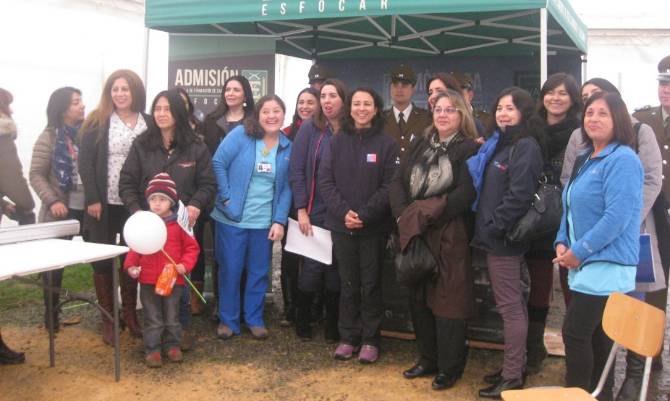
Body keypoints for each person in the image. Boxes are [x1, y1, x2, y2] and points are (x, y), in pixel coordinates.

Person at [561, 78, 664, 401]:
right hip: (584, 263)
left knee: (575, 333)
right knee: (596, 338)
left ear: (618, 119)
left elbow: (618, 218)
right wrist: (562, 241)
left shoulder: (623, 160)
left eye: (602, 113)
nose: (593, 118)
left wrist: (579, 251)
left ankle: (578, 395)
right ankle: (598, 395)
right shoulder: (585, 158)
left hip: (606, 262)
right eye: (589, 112)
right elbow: (568, 204)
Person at [390, 90, 478, 390]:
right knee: (418, 297)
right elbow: (398, 183)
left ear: (462, 115)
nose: (442, 115)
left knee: (448, 302)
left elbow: (465, 193)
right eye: (438, 110)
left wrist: (428, 213)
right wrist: (405, 216)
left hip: (449, 231)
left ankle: (450, 367)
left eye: (450, 110)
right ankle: (427, 358)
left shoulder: (468, 149)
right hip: (415, 231)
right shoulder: (419, 144)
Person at [119, 88, 216, 349]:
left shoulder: (196, 146)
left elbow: (207, 183)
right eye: (157, 109)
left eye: (167, 109)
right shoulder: (142, 144)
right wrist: (137, 212)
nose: (161, 114)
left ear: (179, 113)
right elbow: (127, 182)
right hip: (148, 229)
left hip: (180, 225)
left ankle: (179, 329)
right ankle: (154, 333)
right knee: (152, 281)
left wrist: (195, 205)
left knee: (178, 277)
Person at [469, 87, 544, 398]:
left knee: (510, 307)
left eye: (510, 109)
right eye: (499, 107)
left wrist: (495, 226)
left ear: (523, 113)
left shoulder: (525, 146)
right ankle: (515, 366)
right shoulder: (500, 144)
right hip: (494, 237)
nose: (503, 113)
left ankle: (513, 376)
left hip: (504, 241)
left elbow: (520, 195)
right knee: (513, 306)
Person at [320, 87, 398, 364]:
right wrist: (345, 214)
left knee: (371, 283)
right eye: (356, 103)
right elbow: (325, 182)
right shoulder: (337, 140)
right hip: (342, 226)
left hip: (373, 227)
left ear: (377, 109)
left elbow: (390, 186)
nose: (361, 108)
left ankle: (370, 339)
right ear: (349, 108)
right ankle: (348, 337)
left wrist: (364, 214)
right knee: (348, 283)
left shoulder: (387, 144)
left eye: (367, 103)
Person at [211, 94, 292, 340]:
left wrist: (279, 220)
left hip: (263, 223)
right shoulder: (241, 136)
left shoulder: (288, 147)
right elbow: (218, 163)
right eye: (266, 111)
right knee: (231, 270)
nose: (271, 116)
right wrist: (226, 199)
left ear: (283, 115)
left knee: (258, 272)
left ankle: (254, 319)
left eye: (276, 111)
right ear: (257, 115)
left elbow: (288, 187)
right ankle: (228, 321)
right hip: (231, 219)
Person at [78, 69, 149, 344]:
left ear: (135, 92)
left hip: (134, 204)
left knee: (132, 257)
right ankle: (108, 317)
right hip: (103, 203)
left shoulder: (148, 121)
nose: (120, 94)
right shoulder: (97, 121)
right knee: (103, 258)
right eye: (115, 89)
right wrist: (92, 198)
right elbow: (85, 162)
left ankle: (130, 313)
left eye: (125, 89)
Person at [523, 73, 582, 374]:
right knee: (538, 283)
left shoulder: (580, 131)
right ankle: (534, 348)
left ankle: (576, 350)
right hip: (535, 214)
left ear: (573, 100)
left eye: (563, 93)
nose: (555, 98)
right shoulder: (529, 127)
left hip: (569, 214)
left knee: (569, 284)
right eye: (550, 92)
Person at [124, 173, 200, 367]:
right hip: (148, 280)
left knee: (172, 316)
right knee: (153, 317)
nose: (157, 204)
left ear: (171, 202)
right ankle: (152, 349)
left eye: (162, 199)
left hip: (173, 280)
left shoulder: (179, 225)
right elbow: (135, 246)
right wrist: (131, 266)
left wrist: (185, 264)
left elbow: (192, 248)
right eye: (153, 199)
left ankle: (172, 345)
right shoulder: (144, 224)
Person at [29, 86, 87, 332]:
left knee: (101, 258)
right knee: (54, 266)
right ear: (63, 109)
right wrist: (53, 201)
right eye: (76, 102)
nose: (83, 105)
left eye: (81, 101)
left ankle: (110, 311)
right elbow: (36, 175)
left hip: (88, 208)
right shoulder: (49, 138)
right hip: (59, 210)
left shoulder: (87, 134)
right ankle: (51, 314)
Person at [288, 83, 343, 342]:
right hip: (314, 210)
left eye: (333, 96)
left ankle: (333, 326)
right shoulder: (310, 128)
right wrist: (301, 209)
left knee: (336, 273)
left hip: (343, 212)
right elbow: (297, 169)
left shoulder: (352, 129)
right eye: (324, 96)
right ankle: (303, 321)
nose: (327, 101)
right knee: (311, 269)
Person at [200, 75, 255, 320]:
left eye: (236, 89)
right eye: (228, 89)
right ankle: (223, 306)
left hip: (247, 194)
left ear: (246, 95)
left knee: (244, 255)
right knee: (221, 254)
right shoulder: (211, 121)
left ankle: (244, 305)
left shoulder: (254, 121)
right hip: (216, 194)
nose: (231, 93)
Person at [632, 54, 670, 373]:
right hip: (656, 218)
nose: (666, 90)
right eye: (663, 83)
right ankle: (650, 351)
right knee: (654, 284)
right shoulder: (643, 120)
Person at [281, 87, 321, 328]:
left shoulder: (325, 131)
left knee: (315, 257)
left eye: (310, 102)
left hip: (316, 203)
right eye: (301, 102)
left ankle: (313, 307)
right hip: (291, 204)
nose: (305, 106)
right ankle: (290, 307)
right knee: (291, 258)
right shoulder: (286, 133)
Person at [0, 88, 35, 225]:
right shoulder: (2, 136)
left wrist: (2, 205)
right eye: (7, 105)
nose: (11, 111)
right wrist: (27, 205)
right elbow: (11, 177)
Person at [383, 64, 432, 155]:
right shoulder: (380, 118)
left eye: (404, 85)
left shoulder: (427, 118)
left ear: (413, 89)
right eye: (395, 85)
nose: (399, 89)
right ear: (390, 88)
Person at [450, 71, 490, 137]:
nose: (455, 99)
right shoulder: (443, 121)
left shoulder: (486, 120)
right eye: (451, 94)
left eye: (459, 94)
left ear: (470, 95)